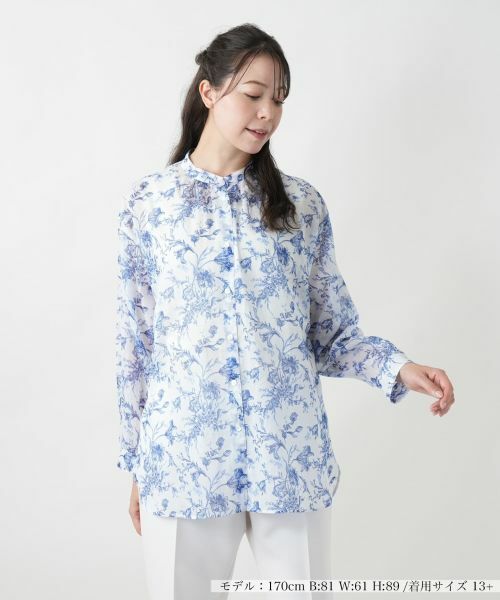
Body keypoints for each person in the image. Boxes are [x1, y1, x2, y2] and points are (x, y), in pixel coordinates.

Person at [115, 22, 455, 600]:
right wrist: (138, 464)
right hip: (185, 461)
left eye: (278, 99)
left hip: (289, 458)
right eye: (253, 94)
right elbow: (136, 347)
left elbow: (331, 333)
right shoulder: (151, 204)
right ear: (208, 92)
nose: (267, 113)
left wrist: (397, 368)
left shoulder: (300, 206)